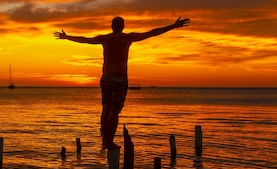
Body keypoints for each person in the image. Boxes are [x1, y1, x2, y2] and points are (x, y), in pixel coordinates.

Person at [54, 16, 190, 150]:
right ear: (123, 26)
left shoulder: (105, 39)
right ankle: (109, 142)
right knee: (113, 111)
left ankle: (106, 141)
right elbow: (151, 33)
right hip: (119, 78)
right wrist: (173, 26)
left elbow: (84, 40)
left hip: (106, 78)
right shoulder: (127, 38)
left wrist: (67, 37)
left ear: (112, 27)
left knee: (105, 110)